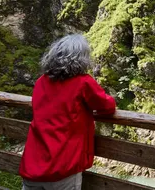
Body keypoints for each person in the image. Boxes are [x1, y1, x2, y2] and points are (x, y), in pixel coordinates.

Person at [19, 34, 116, 190]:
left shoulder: (41, 82)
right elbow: (107, 105)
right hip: (63, 166)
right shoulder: (83, 83)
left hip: (33, 165)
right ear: (82, 59)